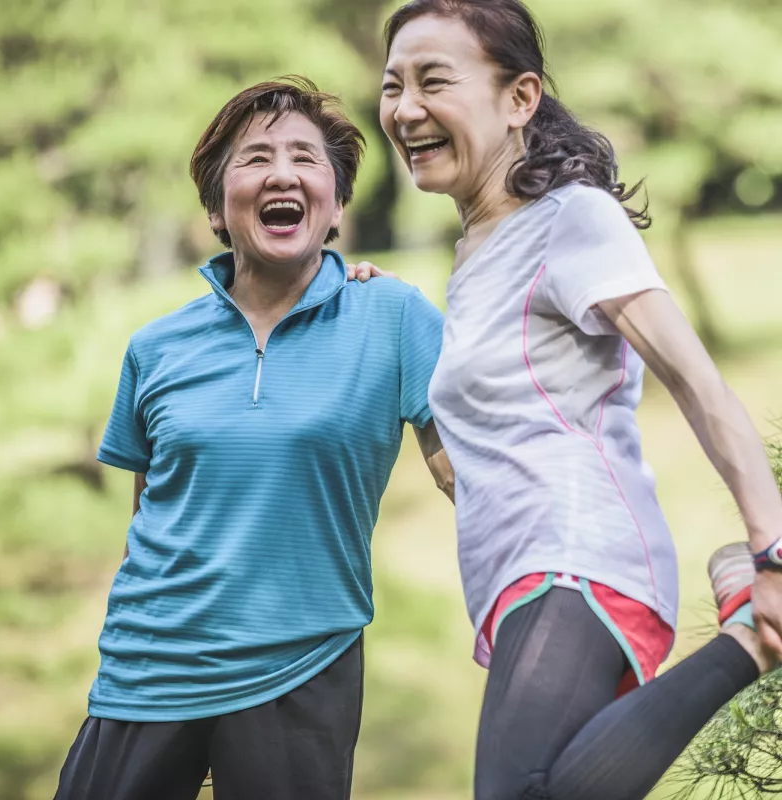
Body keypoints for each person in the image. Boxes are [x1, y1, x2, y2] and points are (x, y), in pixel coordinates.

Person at [378, 2, 782, 798]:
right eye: (392, 86)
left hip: (576, 552)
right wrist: (365, 302)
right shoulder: (478, 251)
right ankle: (752, 641)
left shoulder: (571, 221)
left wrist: (773, 547)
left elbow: (696, 381)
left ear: (520, 98)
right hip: (521, 574)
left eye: (433, 81)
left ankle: (756, 641)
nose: (405, 109)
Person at [53, 76, 452, 800]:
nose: (282, 173)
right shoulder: (156, 346)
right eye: (255, 157)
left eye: (306, 158)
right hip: (149, 667)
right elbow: (150, 515)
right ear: (215, 206)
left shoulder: (392, 317)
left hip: (301, 668)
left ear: (335, 204)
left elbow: (468, 472)